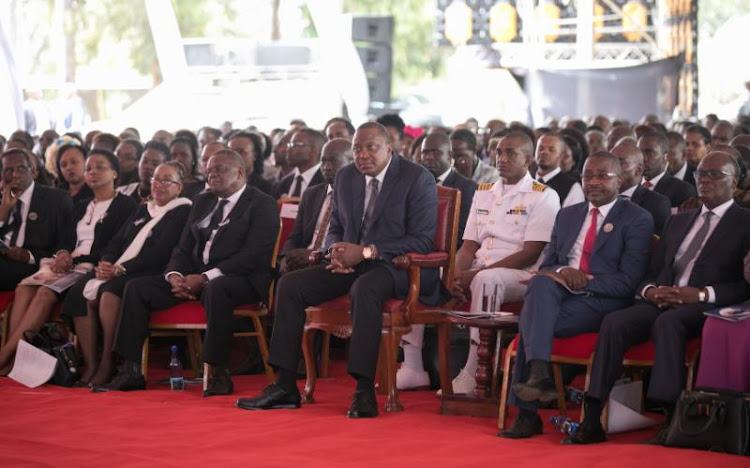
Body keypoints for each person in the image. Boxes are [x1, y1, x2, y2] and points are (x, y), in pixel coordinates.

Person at [235, 122, 444, 418]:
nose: (363, 155)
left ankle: (362, 390)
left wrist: (368, 252)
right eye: (357, 148)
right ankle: (284, 385)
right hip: (350, 263)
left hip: (395, 267)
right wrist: (334, 252)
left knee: (365, 287)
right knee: (291, 285)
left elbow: (422, 239)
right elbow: (336, 226)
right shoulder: (347, 177)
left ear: (389, 148)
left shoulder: (415, 177)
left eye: (371, 148)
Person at [563, 152, 750, 445]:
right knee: (615, 321)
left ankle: (671, 415)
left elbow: (745, 285)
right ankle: (592, 414)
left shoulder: (745, 222)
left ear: (735, 182)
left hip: (707, 305)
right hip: (662, 298)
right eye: (701, 174)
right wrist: (651, 291)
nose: (705, 180)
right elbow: (652, 271)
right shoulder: (680, 220)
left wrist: (701, 294)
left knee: (669, 323)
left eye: (716, 174)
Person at [94, 149, 278, 394]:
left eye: (220, 170)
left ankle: (218, 372)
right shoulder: (203, 200)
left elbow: (253, 256)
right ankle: (131, 369)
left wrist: (204, 278)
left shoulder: (261, 203)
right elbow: (183, 247)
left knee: (216, 289)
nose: (212, 175)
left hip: (240, 279)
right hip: (194, 277)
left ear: (240, 173)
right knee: (136, 288)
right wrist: (175, 276)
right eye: (209, 170)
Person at [501, 151, 654, 439]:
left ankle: (528, 410)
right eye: (587, 176)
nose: (593, 182)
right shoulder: (568, 215)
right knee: (540, 288)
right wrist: (563, 272)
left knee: (533, 319)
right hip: (559, 295)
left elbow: (629, 282)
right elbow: (548, 266)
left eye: (602, 176)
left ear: (619, 180)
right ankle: (538, 377)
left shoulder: (637, 219)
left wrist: (583, 281)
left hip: (602, 301)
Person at [398, 131, 559, 392]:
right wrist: (455, 274)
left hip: (522, 274)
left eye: (511, 153)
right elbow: (468, 246)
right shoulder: (484, 191)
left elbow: (531, 252)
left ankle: (473, 370)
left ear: (528, 160)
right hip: (479, 269)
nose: (502, 159)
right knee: (423, 274)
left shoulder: (543, 195)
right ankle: (413, 366)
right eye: (499, 153)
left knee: (486, 278)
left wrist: (473, 275)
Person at [0, 149, 136, 374]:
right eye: (89, 168)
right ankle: (14, 358)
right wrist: (63, 253)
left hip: (92, 266)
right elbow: (65, 238)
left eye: (99, 167)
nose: (92, 172)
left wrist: (74, 260)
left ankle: (5, 355)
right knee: (24, 288)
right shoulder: (82, 204)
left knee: (44, 293)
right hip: (68, 263)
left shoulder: (125, 205)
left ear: (114, 173)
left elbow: (115, 245)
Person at [61, 161, 191, 386]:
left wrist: (121, 269)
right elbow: (117, 241)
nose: (158, 185)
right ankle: (91, 363)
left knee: (110, 293)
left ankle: (108, 362)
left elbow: (161, 252)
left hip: (152, 272)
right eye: (155, 179)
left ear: (179, 187)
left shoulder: (182, 211)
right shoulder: (143, 208)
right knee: (80, 289)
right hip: (119, 269)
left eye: (166, 180)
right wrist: (107, 262)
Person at [0, 149, 74, 291]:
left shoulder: (56, 199)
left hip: (31, 265)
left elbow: (66, 242)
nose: (15, 174)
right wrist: (3, 211)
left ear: (33, 171)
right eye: (8, 170)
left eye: (21, 168)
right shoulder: (3, 198)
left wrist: (29, 256)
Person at [280, 138, 351, 274]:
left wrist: (315, 255)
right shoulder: (311, 194)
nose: (327, 167)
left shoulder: (356, 198)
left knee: (291, 283)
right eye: (323, 161)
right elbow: (295, 237)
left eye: (334, 161)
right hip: (303, 260)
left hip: (331, 263)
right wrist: (285, 258)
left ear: (352, 162)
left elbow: (348, 244)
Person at [419, 131, 477, 246]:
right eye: (425, 152)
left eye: (436, 152)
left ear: (450, 155)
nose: (429, 157)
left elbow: (462, 233)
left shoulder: (466, 187)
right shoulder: (415, 184)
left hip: (447, 252)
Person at [612, 143, 671, 234]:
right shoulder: (600, 197)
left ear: (638, 170)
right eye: (611, 162)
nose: (611, 168)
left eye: (620, 162)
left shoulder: (657, 203)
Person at [639, 131, 696, 209]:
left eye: (649, 153)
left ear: (665, 156)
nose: (643, 158)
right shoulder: (630, 184)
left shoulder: (682, 190)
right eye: (639, 152)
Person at [272, 129, 326, 199]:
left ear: (313, 150)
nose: (288, 149)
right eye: (289, 145)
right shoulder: (282, 184)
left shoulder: (325, 182)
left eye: (294, 145)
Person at [535, 133, 585, 208]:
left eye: (551, 150)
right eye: (541, 148)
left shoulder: (572, 187)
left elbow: (572, 217)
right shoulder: (525, 178)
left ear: (561, 156)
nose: (544, 152)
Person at [227, 131, 273, 195]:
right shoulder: (220, 184)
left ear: (255, 155)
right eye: (230, 152)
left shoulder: (265, 189)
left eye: (241, 151)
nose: (234, 156)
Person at [132, 140, 171, 205]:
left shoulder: (167, 201)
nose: (148, 167)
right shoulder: (124, 191)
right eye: (145, 161)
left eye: (155, 164)